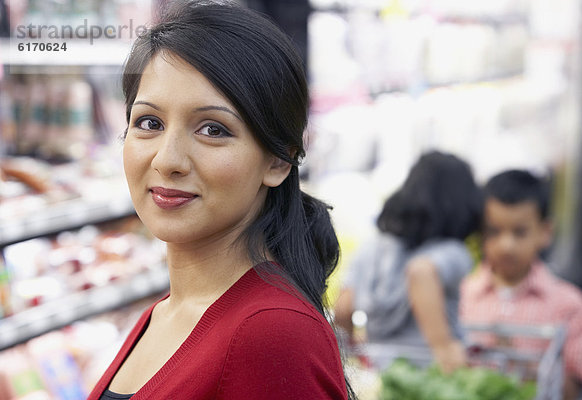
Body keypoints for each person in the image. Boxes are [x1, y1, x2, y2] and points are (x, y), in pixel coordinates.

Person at [87, 1, 354, 399]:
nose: (168, 160)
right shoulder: (164, 312)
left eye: (213, 129)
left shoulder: (273, 334)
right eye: (149, 123)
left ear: (280, 160)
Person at [334, 151, 482, 373]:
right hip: (428, 377)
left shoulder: (373, 247)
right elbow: (420, 271)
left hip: (381, 375)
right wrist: (444, 348)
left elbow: (344, 308)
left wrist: (353, 355)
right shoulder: (452, 252)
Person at [460, 170, 582, 400]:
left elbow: (581, 390)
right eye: (495, 231)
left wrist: (523, 365)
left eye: (520, 232)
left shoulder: (570, 306)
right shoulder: (462, 297)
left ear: (545, 232)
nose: (507, 245)